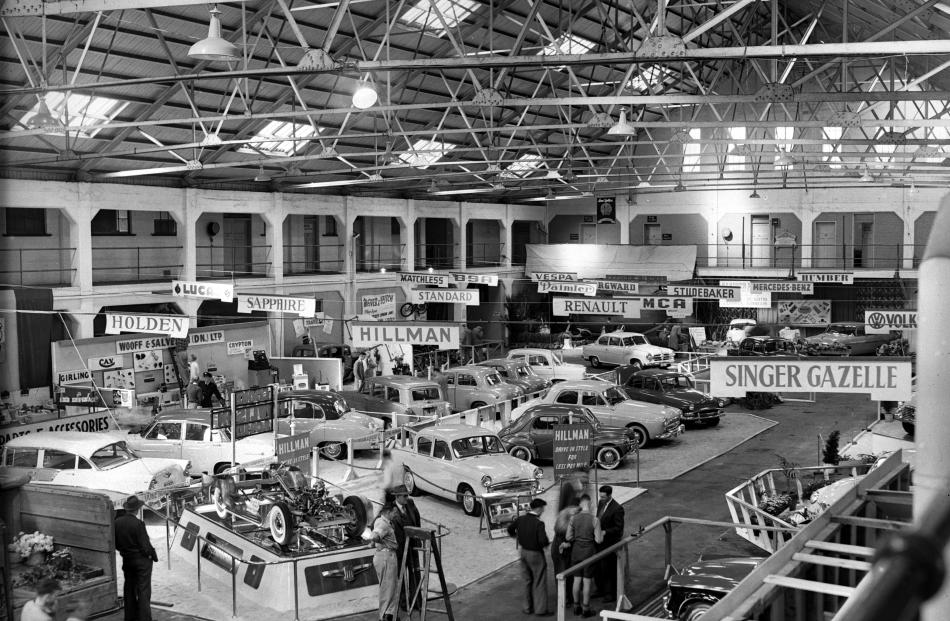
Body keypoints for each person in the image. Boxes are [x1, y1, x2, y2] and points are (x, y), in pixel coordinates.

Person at [115, 495, 158, 621]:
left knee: (129, 589)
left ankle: (130, 617)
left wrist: (124, 552)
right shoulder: (138, 524)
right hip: (141, 562)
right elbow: (145, 546)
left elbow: (115, 543)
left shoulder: (117, 523)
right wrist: (153, 556)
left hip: (127, 559)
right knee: (143, 591)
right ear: (137, 509)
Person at [507, 498, 552, 616]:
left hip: (523, 552)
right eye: (543, 508)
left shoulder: (521, 519)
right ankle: (541, 609)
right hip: (535, 554)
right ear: (538, 508)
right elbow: (542, 540)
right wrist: (546, 545)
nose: (543, 511)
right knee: (539, 580)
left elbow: (510, 529)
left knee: (527, 580)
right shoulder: (539, 523)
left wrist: (516, 536)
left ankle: (527, 607)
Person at [565, 494, 601, 617]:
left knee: (576, 580)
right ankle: (586, 609)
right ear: (590, 504)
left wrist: (577, 537)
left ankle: (576, 607)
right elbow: (598, 540)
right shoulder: (595, 519)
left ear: (580, 504)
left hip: (576, 552)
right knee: (587, 582)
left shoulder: (573, 519)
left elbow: (568, 537)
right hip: (589, 553)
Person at [390, 485, 422, 610]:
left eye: (407, 495)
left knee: (415, 574)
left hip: (412, 546)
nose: (406, 498)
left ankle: (417, 602)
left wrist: (418, 535)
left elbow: (417, 519)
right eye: (404, 496)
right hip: (399, 550)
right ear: (397, 497)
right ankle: (404, 603)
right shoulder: (390, 508)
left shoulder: (410, 503)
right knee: (401, 577)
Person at [595, 485, 625, 603]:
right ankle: (601, 589)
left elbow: (619, 528)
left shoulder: (617, 509)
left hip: (610, 543)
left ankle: (610, 593)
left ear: (609, 495)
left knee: (609, 568)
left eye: (603, 497)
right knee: (599, 567)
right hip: (599, 541)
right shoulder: (601, 503)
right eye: (600, 496)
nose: (601, 498)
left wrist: (605, 531)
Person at [370, 503, 400, 621]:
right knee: (388, 588)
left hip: (383, 555)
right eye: (394, 512)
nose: (395, 514)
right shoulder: (383, 524)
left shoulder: (381, 521)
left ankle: (389, 614)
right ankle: (386, 616)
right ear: (388, 512)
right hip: (386, 556)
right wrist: (375, 538)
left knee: (388, 587)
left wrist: (374, 542)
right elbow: (376, 535)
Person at [552, 499, 580, 608]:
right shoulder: (568, 525)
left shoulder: (563, 516)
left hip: (558, 549)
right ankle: (567, 598)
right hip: (562, 550)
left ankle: (566, 597)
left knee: (562, 574)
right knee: (565, 574)